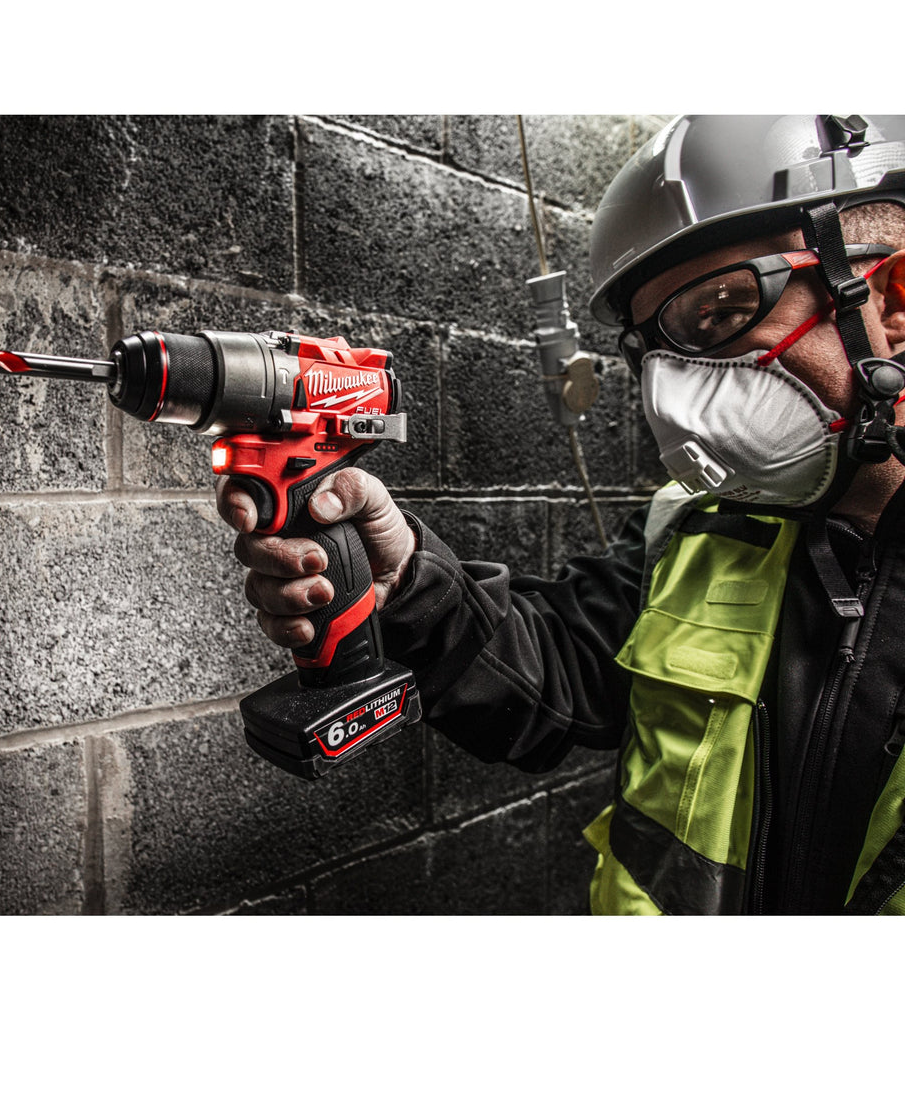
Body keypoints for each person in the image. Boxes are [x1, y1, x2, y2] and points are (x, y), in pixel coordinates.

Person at [216, 114, 905, 915]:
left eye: (719, 312)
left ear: (893, 301)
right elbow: (560, 675)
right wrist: (403, 579)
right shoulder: (698, 530)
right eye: (653, 353)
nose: (674, 394)